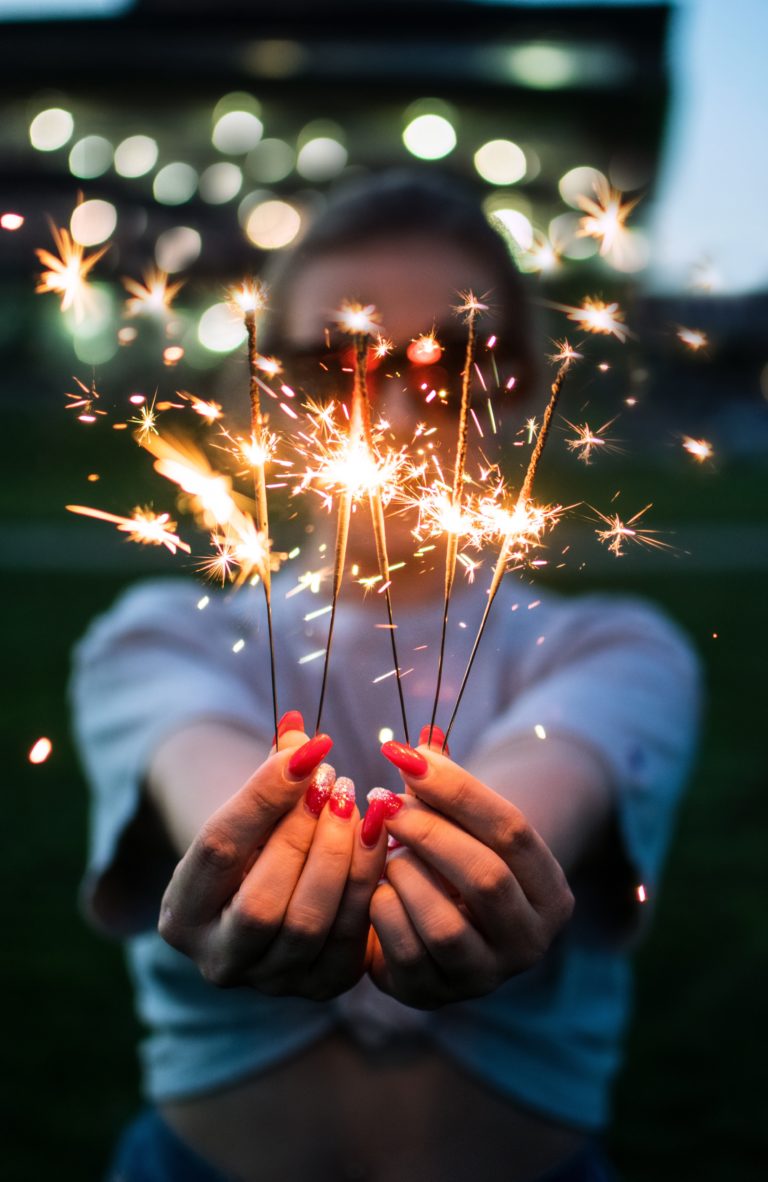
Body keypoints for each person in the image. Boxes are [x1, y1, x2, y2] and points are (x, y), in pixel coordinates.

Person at [72, 171, 700, 1182]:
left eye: (455, 363)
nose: (398, 408)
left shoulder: (617, 650)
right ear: (261, 393)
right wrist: (257, 884)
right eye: (336, 363)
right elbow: (229, 828)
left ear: (525, 385)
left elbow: (502, 845)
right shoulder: (155, 642)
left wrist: (458, 886)